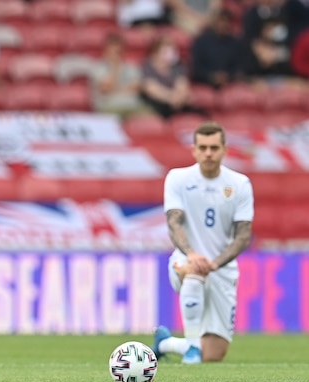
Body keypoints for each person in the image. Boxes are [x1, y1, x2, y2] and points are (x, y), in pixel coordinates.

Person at [153, 121, 254, 364]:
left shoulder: (239, 184)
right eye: (203, 147)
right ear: (194, 150)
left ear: (224, 150)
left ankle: (166, 343)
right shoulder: (178, 178)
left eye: (214, 147)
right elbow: (173, 222)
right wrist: (191, 254)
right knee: (193, 271)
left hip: (222, 270)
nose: (208, 153)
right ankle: (191, 350)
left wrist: (216, 263)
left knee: (214, 355)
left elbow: (243, 234)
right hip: (185, 260)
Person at [90, 33, 147, 117]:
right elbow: (106, 88)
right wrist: (114, 67)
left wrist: (116, 90)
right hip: (109, 106)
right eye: (112, 49)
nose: (115, 53)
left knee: (151, 119)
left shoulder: (131, 67)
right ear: (106, 50)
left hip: (133, 106)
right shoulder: (98, 67)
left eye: (118, 50)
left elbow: (137, 87)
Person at [190, 9, 249, 88]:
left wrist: (227, 76)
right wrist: (211, 77)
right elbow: (197, 68)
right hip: (205, 82)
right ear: (214, 22)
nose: (223, 24)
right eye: (220, 21)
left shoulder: (236, 44)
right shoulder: (201, 41)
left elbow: (239, 67)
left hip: (229, 83)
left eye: (226, 21)